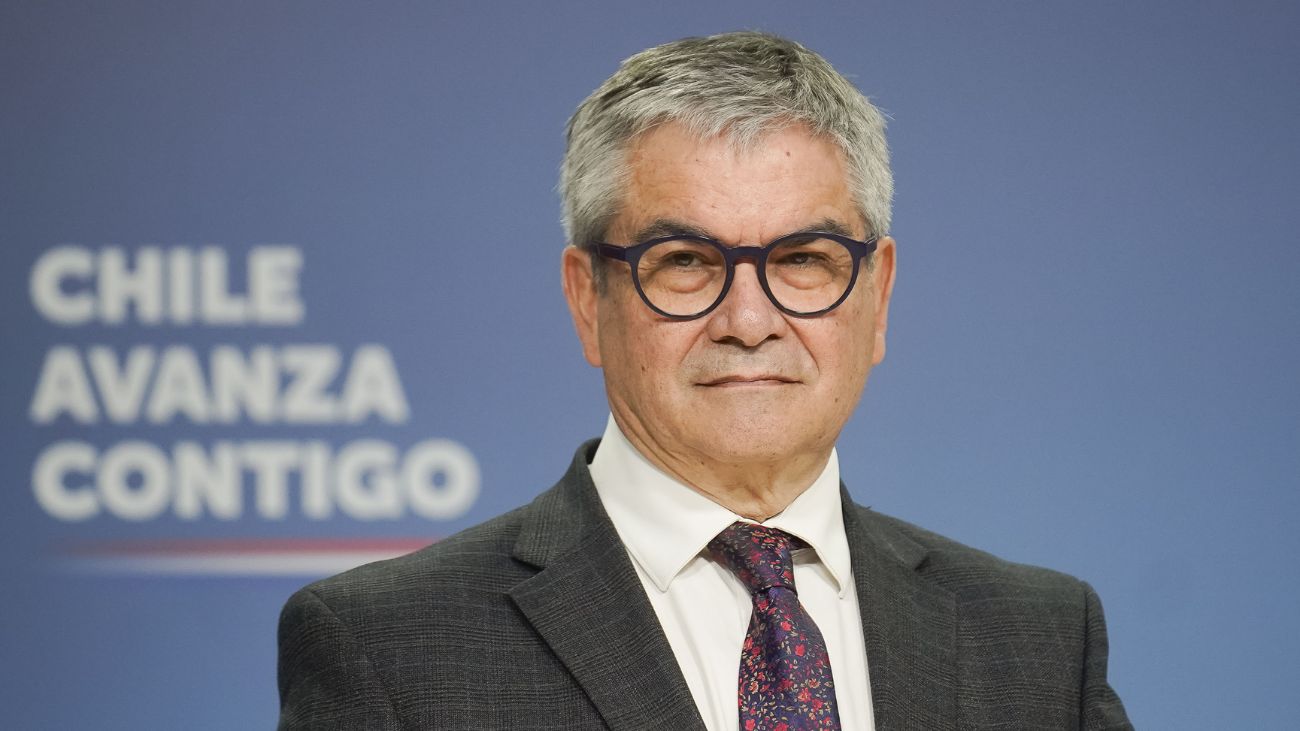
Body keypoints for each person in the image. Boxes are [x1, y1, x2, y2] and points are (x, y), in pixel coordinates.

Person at [277, 31, 1132, 730]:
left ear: (878, 298)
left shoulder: (1041, 641)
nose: (749, 320)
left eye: (804, 259)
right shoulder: (390, 648)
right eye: (685, 261)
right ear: (587, 299)